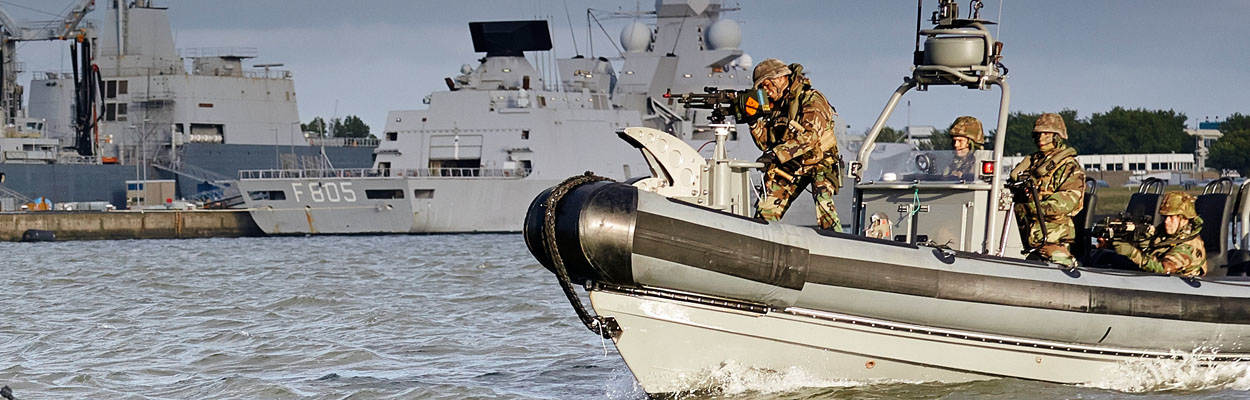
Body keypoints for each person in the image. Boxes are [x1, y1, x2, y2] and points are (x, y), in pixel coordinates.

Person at [748, 58, 841, 231]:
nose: (765, 91)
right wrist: (753, 122)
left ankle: (838, 244)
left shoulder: (812, 99)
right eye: (761, 88)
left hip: (819, 161)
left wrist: (776, 154)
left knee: (823, 202)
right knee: (765, 210)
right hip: (792, 163)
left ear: (780, 78)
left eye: (766, 85)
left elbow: (809, 138)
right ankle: (762, 239)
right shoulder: (778, 107)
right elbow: (765, 142)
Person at [1008, 113, 1086, 267]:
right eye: (1037, 134)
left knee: (1045, 260)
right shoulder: (1033, 163)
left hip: (1051, 233)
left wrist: (1032, 207)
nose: (1040, 137)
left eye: (1046, 133)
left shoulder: (1069, 166)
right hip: (1023, 230)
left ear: (1057, 136)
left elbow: (1068, 201)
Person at [1110, 191, 1207, 276]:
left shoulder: (1188, 246)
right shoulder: (1169, 234)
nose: (1166, 222)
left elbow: (1164, 269)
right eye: (1165, 217)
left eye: (1171, 217)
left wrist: (1132, 252)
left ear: (1184, 219)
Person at [941, 116, 984, 180]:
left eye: (960, 141)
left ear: (971, 144)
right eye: (954, 141)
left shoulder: (980, 165)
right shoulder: (951, 163)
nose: (956, 145)